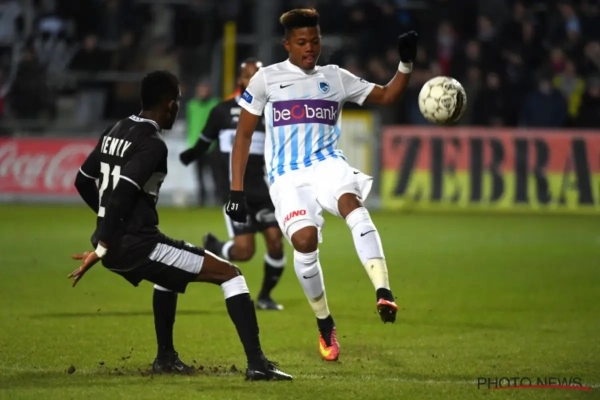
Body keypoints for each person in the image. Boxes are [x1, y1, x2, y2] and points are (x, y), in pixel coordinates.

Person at [71, 70, 292, 381]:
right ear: (170, 104)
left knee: (168, 277)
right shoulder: (152, 144)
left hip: (122, 241)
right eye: (177, 101)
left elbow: (83, 180)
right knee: (231, 275)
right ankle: (257, 364)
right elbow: (121, 194)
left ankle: (165, 358)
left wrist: (107, 228)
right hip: (135, 245)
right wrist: (104, 245)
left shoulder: (115, 129)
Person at [225, 8, 418, 362]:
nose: (310, 48)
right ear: (287, 44)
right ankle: (324, 321)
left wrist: (405, 64)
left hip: (327, 163)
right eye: (302, 42)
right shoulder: (266, 79)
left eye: (314, 41)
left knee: (351, 204)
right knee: (305, 240)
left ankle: (383, 290)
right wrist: (236, 191)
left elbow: (388, 96)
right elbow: (243, 136)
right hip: (286, 175)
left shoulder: (335, 77)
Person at [180, 58, 286, 311]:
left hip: (263, 191)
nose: (255, 81)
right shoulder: (222, 111)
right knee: (245, 251)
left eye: (259, 76)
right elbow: (205, 140)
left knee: (275, 242)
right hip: (236, 191)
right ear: (240, 80)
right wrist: (191, 155)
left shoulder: (272, 112)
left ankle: (265, 297)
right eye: (250, 76)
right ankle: (215, 247)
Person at [185, 80, 220, 206]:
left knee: (215, 173)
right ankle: (202, 198)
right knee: (199, 174)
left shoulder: (215, 104)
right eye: (201, 89)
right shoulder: (191, 105)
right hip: (197, 145)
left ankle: (218, 197)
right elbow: (190, 124)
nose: (203, 92)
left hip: (212, 145)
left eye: (205, 89)